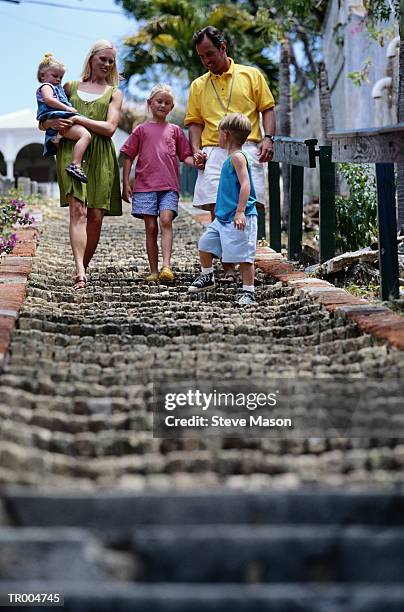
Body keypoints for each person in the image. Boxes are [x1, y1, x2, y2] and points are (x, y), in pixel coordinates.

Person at [185, 26, 276, 283]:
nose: (206, 61)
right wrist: (195, 151)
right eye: (201, 57)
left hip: (247, 147)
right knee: (218, 208)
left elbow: (267, 109)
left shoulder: (251, 75)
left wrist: (269, 138)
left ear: (223, 47)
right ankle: (227, 269)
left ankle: (249, 264)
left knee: (251, 207)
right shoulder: (198, 85)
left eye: (210, 54)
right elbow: (194, 122)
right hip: (213, 150)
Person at [39, 40, 123, 290]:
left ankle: (83, 266)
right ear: (91, 59)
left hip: (101, 155)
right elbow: (45, 118)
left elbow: (109, 129)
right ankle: (79, 273)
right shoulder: (69, 86)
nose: (107, 64)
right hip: (70, 151)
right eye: (103, 59)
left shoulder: (114, 93)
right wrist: (48, 126)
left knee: (96, 216)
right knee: (78, 212)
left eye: (111, 61)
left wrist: (78, 118)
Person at [121, 84, 195, 282]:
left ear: (171, 108)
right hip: (144, 187)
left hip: (169, 186)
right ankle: (153, 271)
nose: (163, 105)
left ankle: (166, 266)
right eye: (159, 101)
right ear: (149, 104)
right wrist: (125, 183)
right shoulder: (140, 130)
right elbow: (128, 156)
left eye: (167, 103)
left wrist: (201, 163)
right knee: (151, 227)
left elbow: (186, 156)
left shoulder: (176, 131)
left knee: (166, 221)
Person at [188, 113, 258, 306]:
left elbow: (246, 185)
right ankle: (207, 276)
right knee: (205, 244)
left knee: (245, 257)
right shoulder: (230, 158)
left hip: (239, 216)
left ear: (225, 135)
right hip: (222, 218)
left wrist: (240, 211)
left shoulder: (237, 157)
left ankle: (249, 292)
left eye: (218, 133)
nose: (217, 137)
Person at [36, 53, 91, 183]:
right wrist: (67, 108)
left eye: (61, 77)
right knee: (85, 136)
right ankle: (76, 164)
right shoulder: (46, 87)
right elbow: (49, 100)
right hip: (57, 115)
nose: (59, 80)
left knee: (84, 133)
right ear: (43, 75)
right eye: (55, 76)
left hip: (58, 118)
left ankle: (58, 138)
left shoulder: (57, 88)